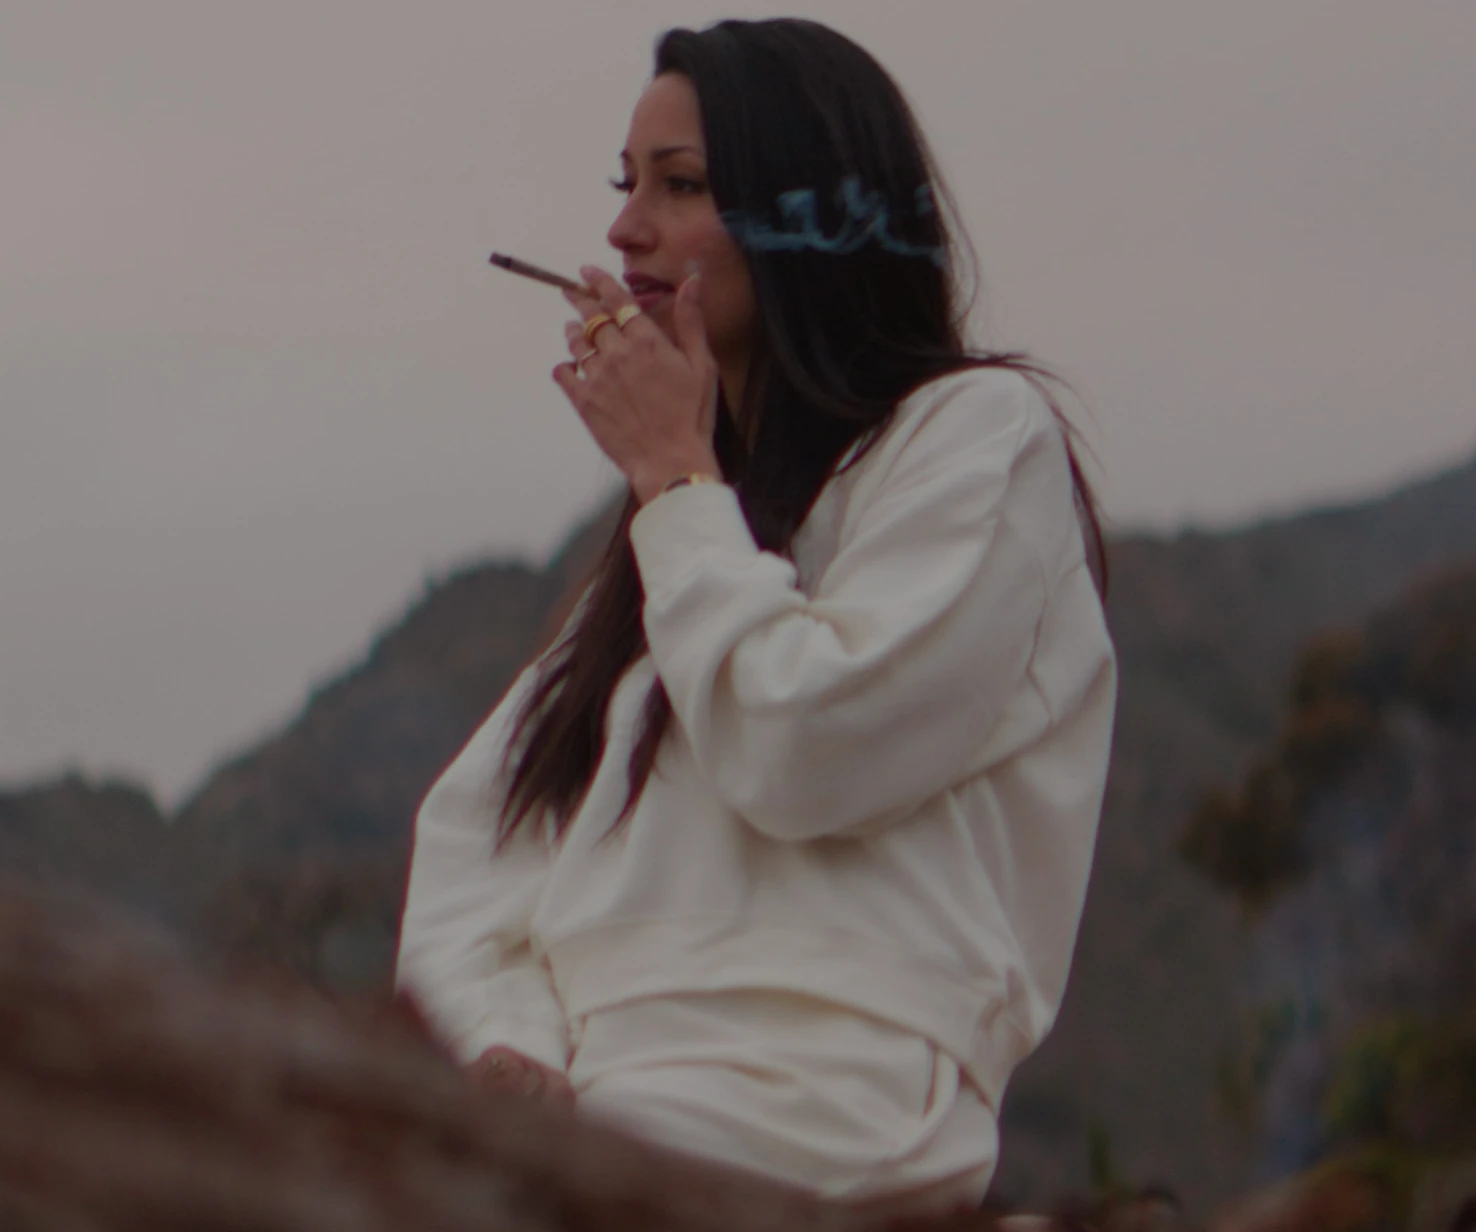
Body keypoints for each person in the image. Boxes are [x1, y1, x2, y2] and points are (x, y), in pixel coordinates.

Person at [395, 18, 1116, 1215]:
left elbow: (811, 746)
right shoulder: (668, 558)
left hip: (814, 1106)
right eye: (628, 189)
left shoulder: (975, 442)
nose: (625, 232)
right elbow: (481, 838)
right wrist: (504, 1038)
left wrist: (675, 479)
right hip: (601, 1111)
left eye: (681, 188)